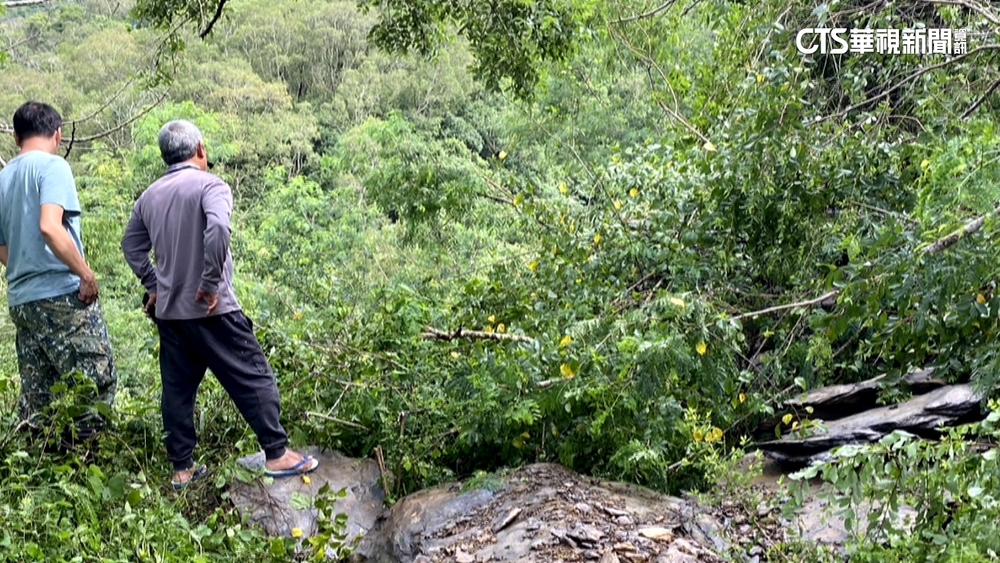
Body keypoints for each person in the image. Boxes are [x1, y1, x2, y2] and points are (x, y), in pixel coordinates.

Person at [121, 119, 318, 490]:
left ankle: (183, 469)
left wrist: (155, 286)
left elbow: (131, 247)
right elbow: (219, 229)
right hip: (213, 310)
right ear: (200, 150)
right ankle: (277, 454)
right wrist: (210, 284)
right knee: (253, 375)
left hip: (172, 316)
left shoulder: (150, 196)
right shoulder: (211, 185)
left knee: (177, 391)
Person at [0, 101, 117, 447]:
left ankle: (43, 471)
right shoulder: (53, 167)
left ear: (17, 136)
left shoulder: (3, 178)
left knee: (41, 396)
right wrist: (85, 274)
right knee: (94, 381)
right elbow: (50, 227)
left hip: (22, 300)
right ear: (58, 134)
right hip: (60, 295)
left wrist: (25, 266)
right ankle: (87, 463)